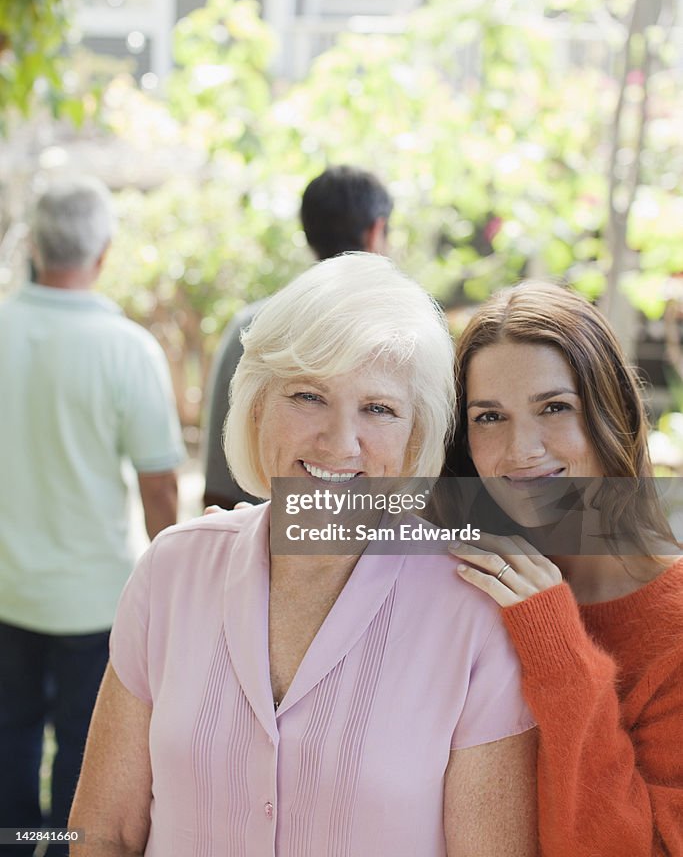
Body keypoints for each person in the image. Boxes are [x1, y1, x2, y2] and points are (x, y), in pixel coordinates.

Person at [70, 253, 537, 857]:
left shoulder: (473, 612)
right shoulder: (171, 572)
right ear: (258, 405)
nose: (340, 442)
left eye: (379, 408)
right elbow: (104, 833)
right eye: (309, 396)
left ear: (416, 436)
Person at [444, 280, 683, 857]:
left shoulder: (675, 627)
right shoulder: (468, 579)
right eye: (489, 417)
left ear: (614, 412)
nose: (522, 449)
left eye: (554, 407)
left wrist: (561, 652)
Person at [0, 176, 185, 855]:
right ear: (103, 253)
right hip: (90, 597)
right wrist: (173, 583)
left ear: (35, 247)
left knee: (10, 738)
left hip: (6, 590)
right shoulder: (126, 349)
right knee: (82, 756)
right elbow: (160, 485)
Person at [202, 164, 393, 509]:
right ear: (376, 232)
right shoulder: (406, 339)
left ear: (307, 233)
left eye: (376, 409)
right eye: (307, 397)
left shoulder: (252, 327)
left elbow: (219, 480)